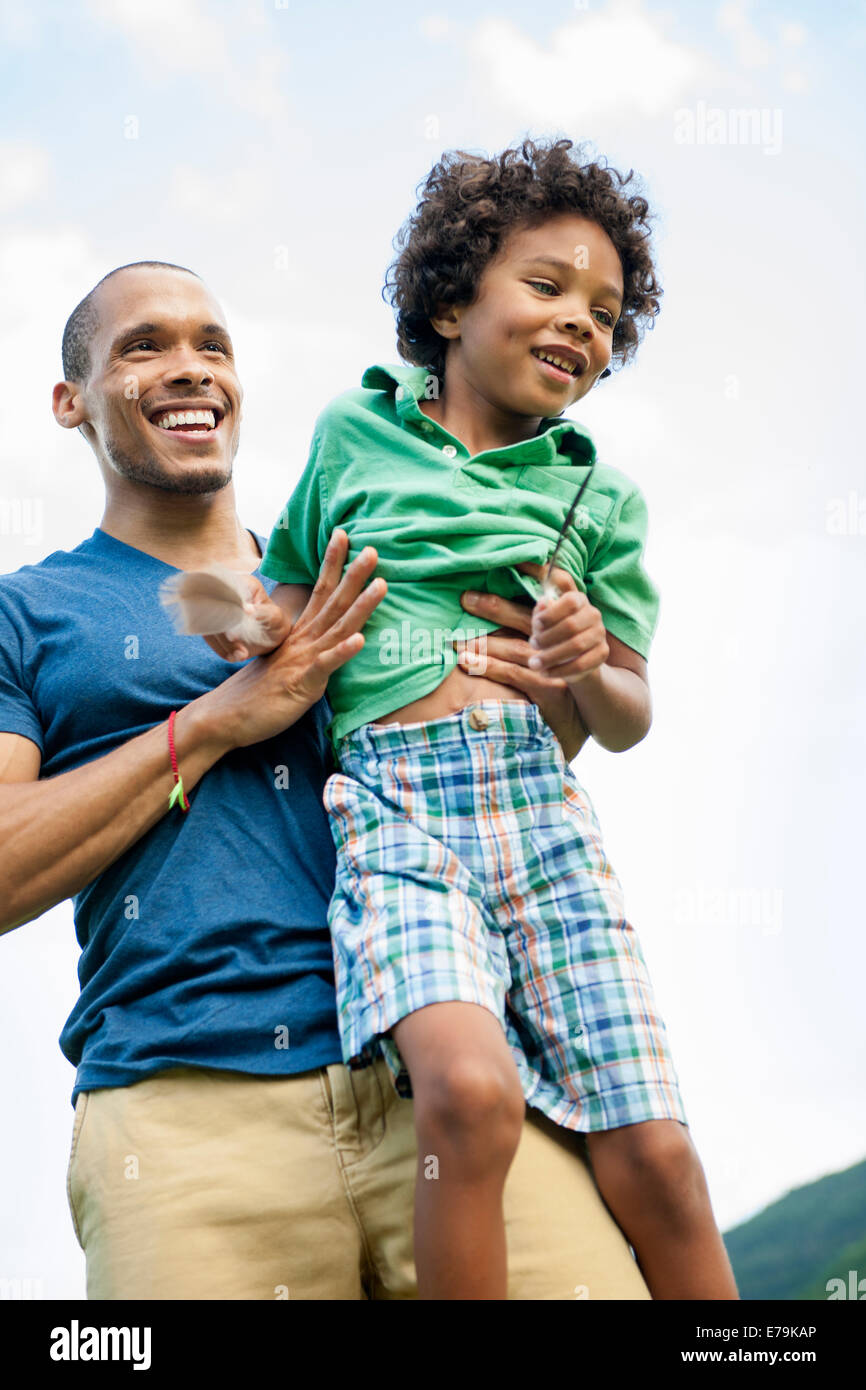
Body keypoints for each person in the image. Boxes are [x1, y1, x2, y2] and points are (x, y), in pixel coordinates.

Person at [0, 257, 653, 1300]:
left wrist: (562, 692)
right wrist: (214, 721)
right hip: (186, 1118)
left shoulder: (366, 565)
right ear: (68, 400)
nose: (190, 368)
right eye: (144, 346)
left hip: (448, 1075)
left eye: (212, 345)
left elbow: (510, 777)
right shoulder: (26, 614)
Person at [177, 139, 738, 1300]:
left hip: (539, 808)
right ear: (446, 302)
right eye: (546, 288)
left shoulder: (597, 491)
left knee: (659, 1159)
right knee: (468, 1097)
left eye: (603, 312)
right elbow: (285, 591)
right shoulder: (354, 430)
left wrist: (585, 664)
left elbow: (626, 713)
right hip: (392, 803)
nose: (578, 323)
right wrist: (238, 617)